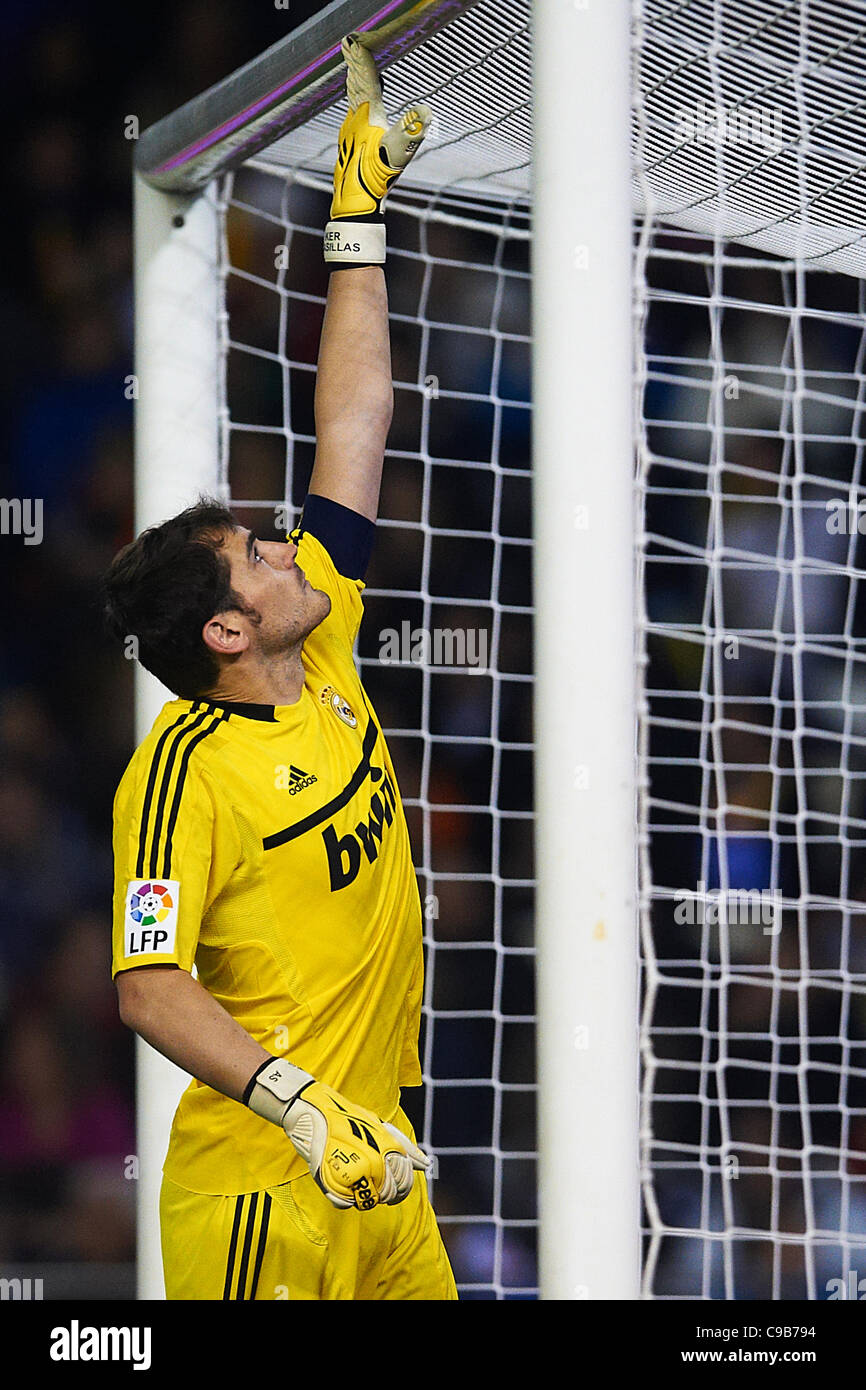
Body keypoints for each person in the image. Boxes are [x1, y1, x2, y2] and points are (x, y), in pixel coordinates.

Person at [103, 34, 457, 1301]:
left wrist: (354, 220)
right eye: (257, 553)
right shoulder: (181, 773)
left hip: (379, 1172)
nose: (283, 544)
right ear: (225, 633)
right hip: (260, 1185)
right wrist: (296, 1101)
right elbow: (148, 984)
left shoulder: (332, 639)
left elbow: (351, 422)